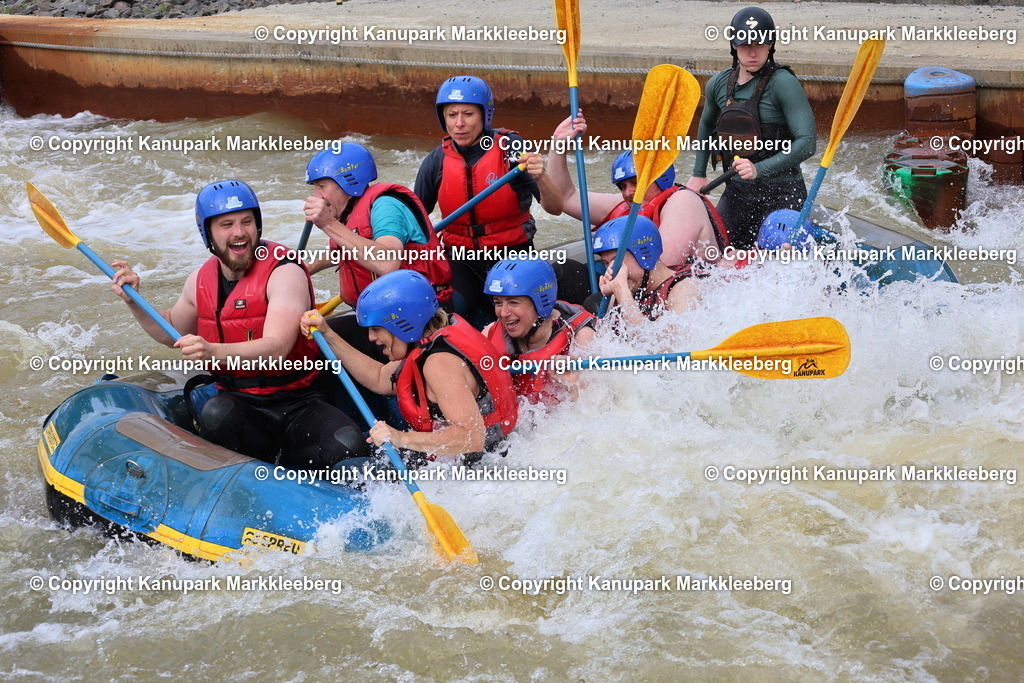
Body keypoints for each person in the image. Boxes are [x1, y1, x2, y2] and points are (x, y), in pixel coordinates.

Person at [110, 180, 366, 470]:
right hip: (239, 403)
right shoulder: (199, 280)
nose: (240, 232)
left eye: (247, 221)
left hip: (298, 401)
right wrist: (134, 301)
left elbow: (277, 347)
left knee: (347, 442)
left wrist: (212, 350)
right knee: (216, 412)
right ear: (208, 233)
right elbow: (170, 330)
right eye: (226, 224)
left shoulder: (285, 272)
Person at [414, 75, 587, 320]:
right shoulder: (435, 161)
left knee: (520, 318)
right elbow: (413, 222)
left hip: (512, 255)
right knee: (440, 317)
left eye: (468, 114)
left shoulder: (510, 148)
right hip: (461, 261)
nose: (459, 124)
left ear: (485, 116)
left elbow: (555, 207)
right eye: (452, 115)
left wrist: (541, 176)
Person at [301, 270, 518, 464]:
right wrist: (328, 335)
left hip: (480, 463)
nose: (371, 337)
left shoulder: (439, 363)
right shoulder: (430, 339)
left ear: (403, 324)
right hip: (463, 455)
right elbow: (378, 377)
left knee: (348, 469)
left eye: (377, 328)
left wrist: (401, 438)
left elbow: (472, 438)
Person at [685, 6, 816, 250]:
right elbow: (705, 124)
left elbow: (807, 142)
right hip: (737, 191)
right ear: (734, 46)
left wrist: (759, 168)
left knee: (781, 261)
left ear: (770, 46)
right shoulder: (718, 84)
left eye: (759, 44)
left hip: (783, 192)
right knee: (716, 255)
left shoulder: (784, 84)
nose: (752, 52)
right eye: (745, 45)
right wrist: (698, 172)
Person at [549, 116, 729, 267]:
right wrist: (557, 146)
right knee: (566, 271)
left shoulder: (683, 202)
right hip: (642, 288)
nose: (628, 191)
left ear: (661, 177)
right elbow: (565, 197)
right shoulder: (627, 204)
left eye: (635, 182)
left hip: (688, 293)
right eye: (622, 186)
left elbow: (662, 267)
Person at [304, 142, 452, 309]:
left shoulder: (385, 205)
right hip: (380, 312)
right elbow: (343, 252)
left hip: (417, 312)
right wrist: (308, 268)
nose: (317, 195)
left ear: (347, 181)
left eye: (322, 186)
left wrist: (328, 224)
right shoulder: (347, 212)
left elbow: (387, 262)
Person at [481, 258, 596, 402]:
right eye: (498, 303)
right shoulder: (490, 333)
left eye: (513, 303)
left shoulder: (580, 337)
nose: (503, 313)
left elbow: (599, 406)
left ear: (541, 303)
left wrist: (572, 382)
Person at [592, 215, 703, 324]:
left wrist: (621, 291)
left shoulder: (685, 288)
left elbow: (668, 341)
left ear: (645, 255)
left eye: (616, 261)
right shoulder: (623, 290)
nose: (612, 271)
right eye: (606, 263)